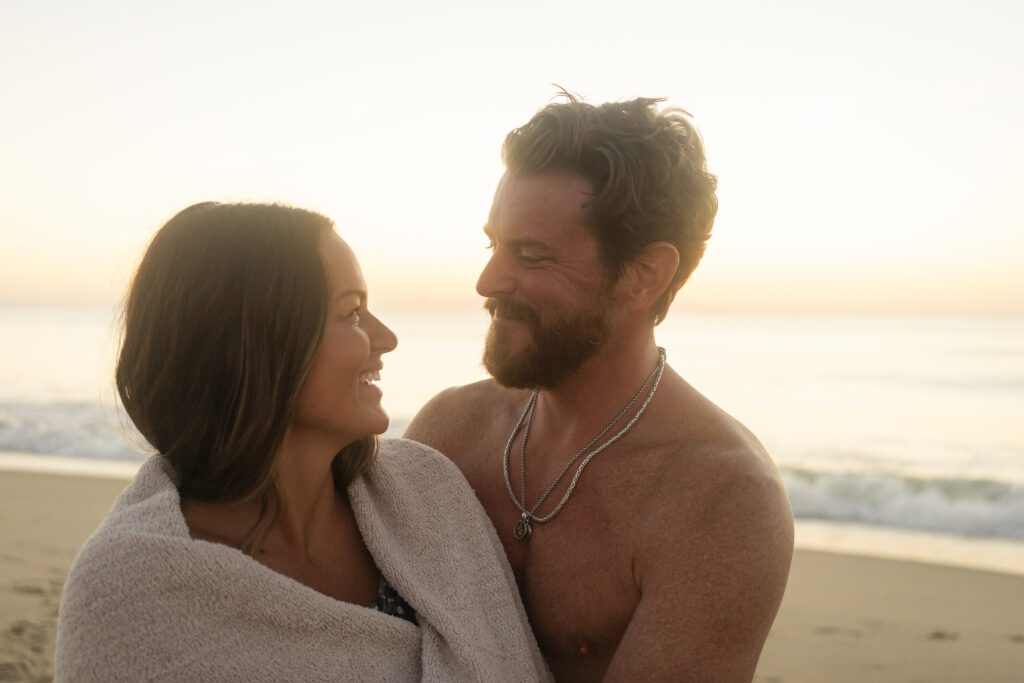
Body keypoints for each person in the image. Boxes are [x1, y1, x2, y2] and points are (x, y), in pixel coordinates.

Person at [55, 202, 550, 682]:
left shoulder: (430, 494)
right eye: (352, 312)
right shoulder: (130, 591)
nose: (386, 338)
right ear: (256, 342)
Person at [405, 93, 794, 682]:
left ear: (643, 275)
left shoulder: (718, 500)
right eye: (494, 246)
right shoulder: (449, 432)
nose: (487, 281)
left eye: (532, 256)